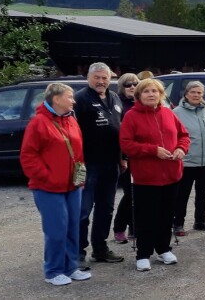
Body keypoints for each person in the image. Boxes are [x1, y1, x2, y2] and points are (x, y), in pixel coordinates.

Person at [21, 83, 93, 285]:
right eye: (70, 97)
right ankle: (53, 271)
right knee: (56, 230)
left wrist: (80, 177)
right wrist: (47, 176)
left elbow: (77, 152)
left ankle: (70, 268)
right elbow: (28, 156)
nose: (74, 100)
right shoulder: (38, 123)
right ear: (56, 99)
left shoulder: (70, 119)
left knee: (72, 227)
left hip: (73, 186)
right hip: (48, 188)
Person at [119, 78, 190, 272]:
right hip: (146, 178)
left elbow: (183, 136)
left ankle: (163, 249)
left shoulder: (168, 113)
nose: (151, 94)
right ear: (139, 95)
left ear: (161, 94)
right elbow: (126, 144)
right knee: (146, 217)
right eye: (146, 91)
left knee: (166, 215)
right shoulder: (131, 116)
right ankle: (143, 253)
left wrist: (181, 149)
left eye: (155, 91)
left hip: (172, 175)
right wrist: (153, 150)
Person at [74, 62, 126, 264]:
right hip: (87, 165)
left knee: (106, 208)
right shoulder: (80, 100)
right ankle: (78, 252)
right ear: (89, 78)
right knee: (83, 211)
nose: (101, 81)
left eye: (105, 77)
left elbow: (119, 130)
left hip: (111, 163)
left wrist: (122, 158)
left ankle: (100, 248)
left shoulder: (114, 97)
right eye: (97, 77)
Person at [172, 81, 205, 236]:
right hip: (186, 162)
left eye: (199, 93)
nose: (196, 95)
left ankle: (200, 221)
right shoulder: (176, 113)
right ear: (186, 94)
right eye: (193, 92)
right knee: (182, 194)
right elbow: (173, 138)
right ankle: (178, 223)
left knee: (203, 193)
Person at [112, 72, 139, 244]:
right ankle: (119, 227)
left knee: (139, 193)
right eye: (128, 84)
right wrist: (123, 157)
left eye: (135, 84)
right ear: (122, 86)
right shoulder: (117, 104)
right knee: (130, 194)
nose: (132, 87)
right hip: (124, 155)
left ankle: (134, 227)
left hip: (141, 155)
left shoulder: (142, 102)